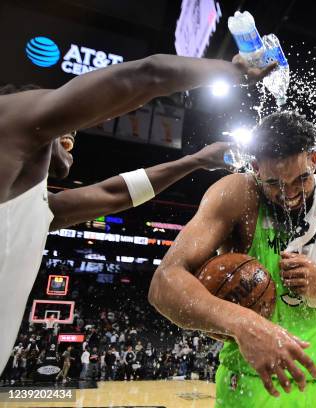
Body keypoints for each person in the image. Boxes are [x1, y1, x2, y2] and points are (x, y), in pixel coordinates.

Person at [0, 53, 276, 371]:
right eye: (68, 137)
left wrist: (195, 161)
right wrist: (232, 71)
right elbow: (145, 75)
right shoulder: (11, 120)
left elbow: (114, 193)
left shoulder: (36, 205)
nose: (71, 144)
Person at [149, 111, 316, 407]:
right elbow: (163, 285)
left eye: (301, 180)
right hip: (253, 385)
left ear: (314, 159)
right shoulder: (238, 195)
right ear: (255, 167)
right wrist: (243, 323)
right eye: (275, 184)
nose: (290, 194)